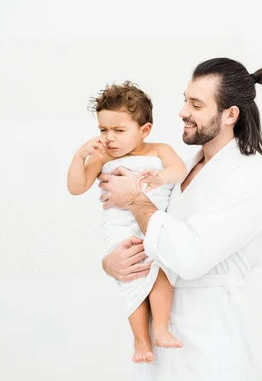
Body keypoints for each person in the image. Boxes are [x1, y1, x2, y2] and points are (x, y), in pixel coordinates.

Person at [98, 58, 262, 380]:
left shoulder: (251, 175)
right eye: (185, 99)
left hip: (211, 346)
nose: (182, 111)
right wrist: (112, 264)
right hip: (161, 350)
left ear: (229, 115)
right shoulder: (180, 170)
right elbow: (152, 238)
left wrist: (135, 199)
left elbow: (190, 254)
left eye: (195, 104)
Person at [66, 81, 187, 363]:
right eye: (102, 130)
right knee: (131, 280)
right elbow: (77, 186)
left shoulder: (160, 150)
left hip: (153, 223)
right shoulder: (102, 156)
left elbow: (179, 169)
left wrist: (162, 177)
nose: (109, 138)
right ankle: (140, 340)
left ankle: (159, 327)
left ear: (145, 130)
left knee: (162, 270)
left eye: (119, 130)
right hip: (120, 230)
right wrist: (79, 156)